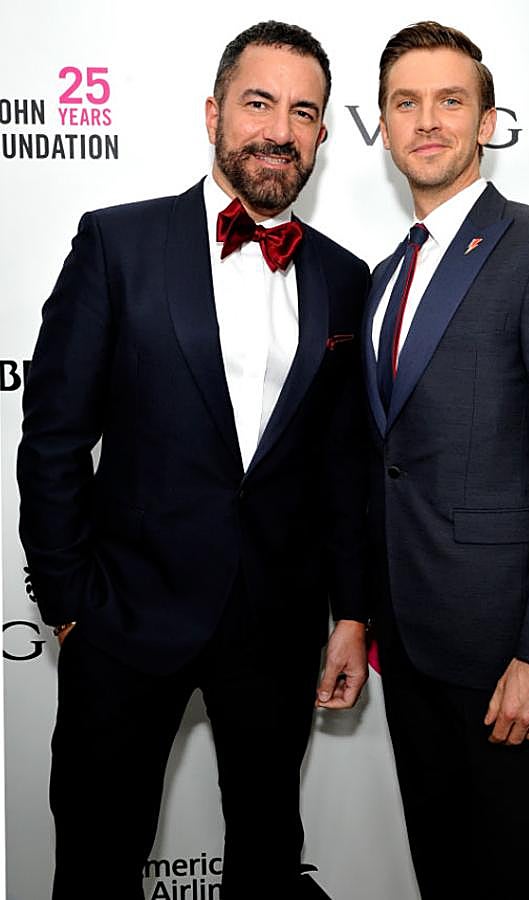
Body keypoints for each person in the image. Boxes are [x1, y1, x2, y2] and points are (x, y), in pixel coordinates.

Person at [17, 20, 369, 900]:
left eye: (303, 112)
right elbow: (54, 436)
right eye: (258, 103)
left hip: (278, 629)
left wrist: (353, 613)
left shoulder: (345, 277)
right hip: (124, 621)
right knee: (97, 863)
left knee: (265, 860)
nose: (279, 130)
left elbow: (344, 469)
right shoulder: (117, 244)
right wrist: (69, 606)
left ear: (323, 135)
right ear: (215, 111)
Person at [364, 21, 529, 900]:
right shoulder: (385, 275)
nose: (426, 120)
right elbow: (387, 462)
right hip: (408, 639)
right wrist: (360, 613)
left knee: (505, 878)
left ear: (488, 121)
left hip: (503, 653)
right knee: (442, 870)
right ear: (384, 126)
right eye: (406, 102)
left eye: (449, 100)